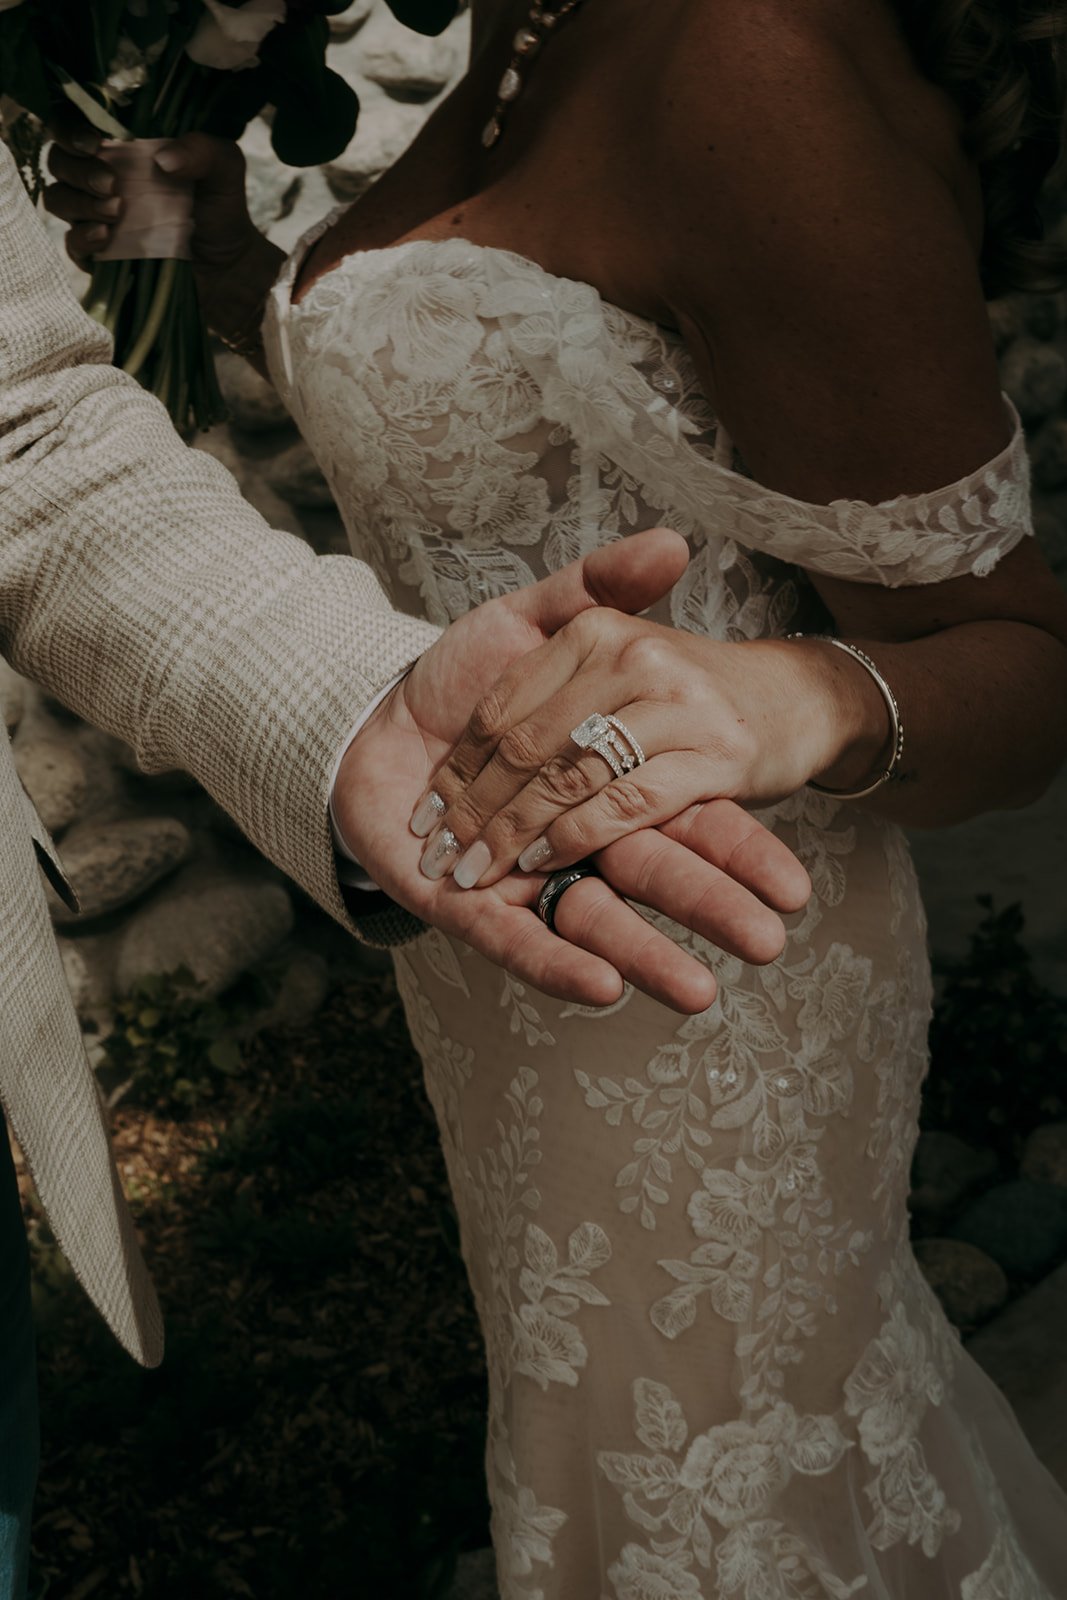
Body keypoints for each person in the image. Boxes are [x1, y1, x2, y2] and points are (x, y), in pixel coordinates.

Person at [48, 0, 1067, 1593]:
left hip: (712, 985)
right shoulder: (524, 25)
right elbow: (487, 430)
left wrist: (795, 696)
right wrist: (229, 260)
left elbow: (1023, 658)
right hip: (495, 955)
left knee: (728, 1492)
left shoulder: (756, 62)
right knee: (592, 1430)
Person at [0, 117, 817, 1600]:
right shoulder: (497, 77)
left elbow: (23, 436)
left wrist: (349, 705)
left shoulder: (754, 78)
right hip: (505, 908)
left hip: (555, 836)